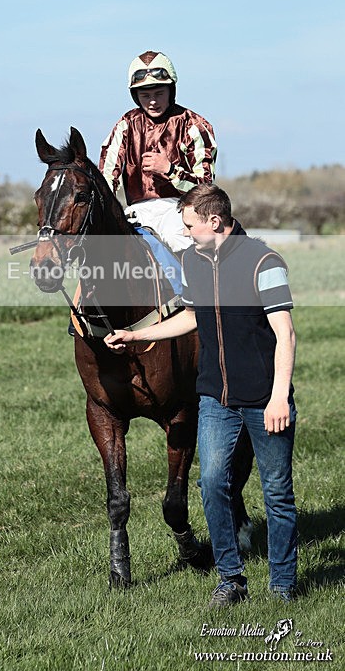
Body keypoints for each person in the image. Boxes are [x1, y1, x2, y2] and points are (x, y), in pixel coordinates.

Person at [104, 184, 298, 607]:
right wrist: (136, 335)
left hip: (264, 398)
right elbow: (191, 315)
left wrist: (279, 396)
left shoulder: (263, 262)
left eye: (190, 226)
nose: (185, 233)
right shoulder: (193, 260)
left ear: (214, 221)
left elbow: (285, 334)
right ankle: (231, 579)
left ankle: (283, 585)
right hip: (214, 397)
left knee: (276, 492)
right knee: (211, 484)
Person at [99, 50, 217, 253]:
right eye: (145, 95)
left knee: (179, 239)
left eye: (159, 93)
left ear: (171, 91)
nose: (152, 101)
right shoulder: (126, 124)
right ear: (136, 96)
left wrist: (169, 170)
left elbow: (205, 187)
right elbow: (107, 176)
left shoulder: (194, 125)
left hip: (179, 209)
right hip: (136, 210)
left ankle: (199, 274)